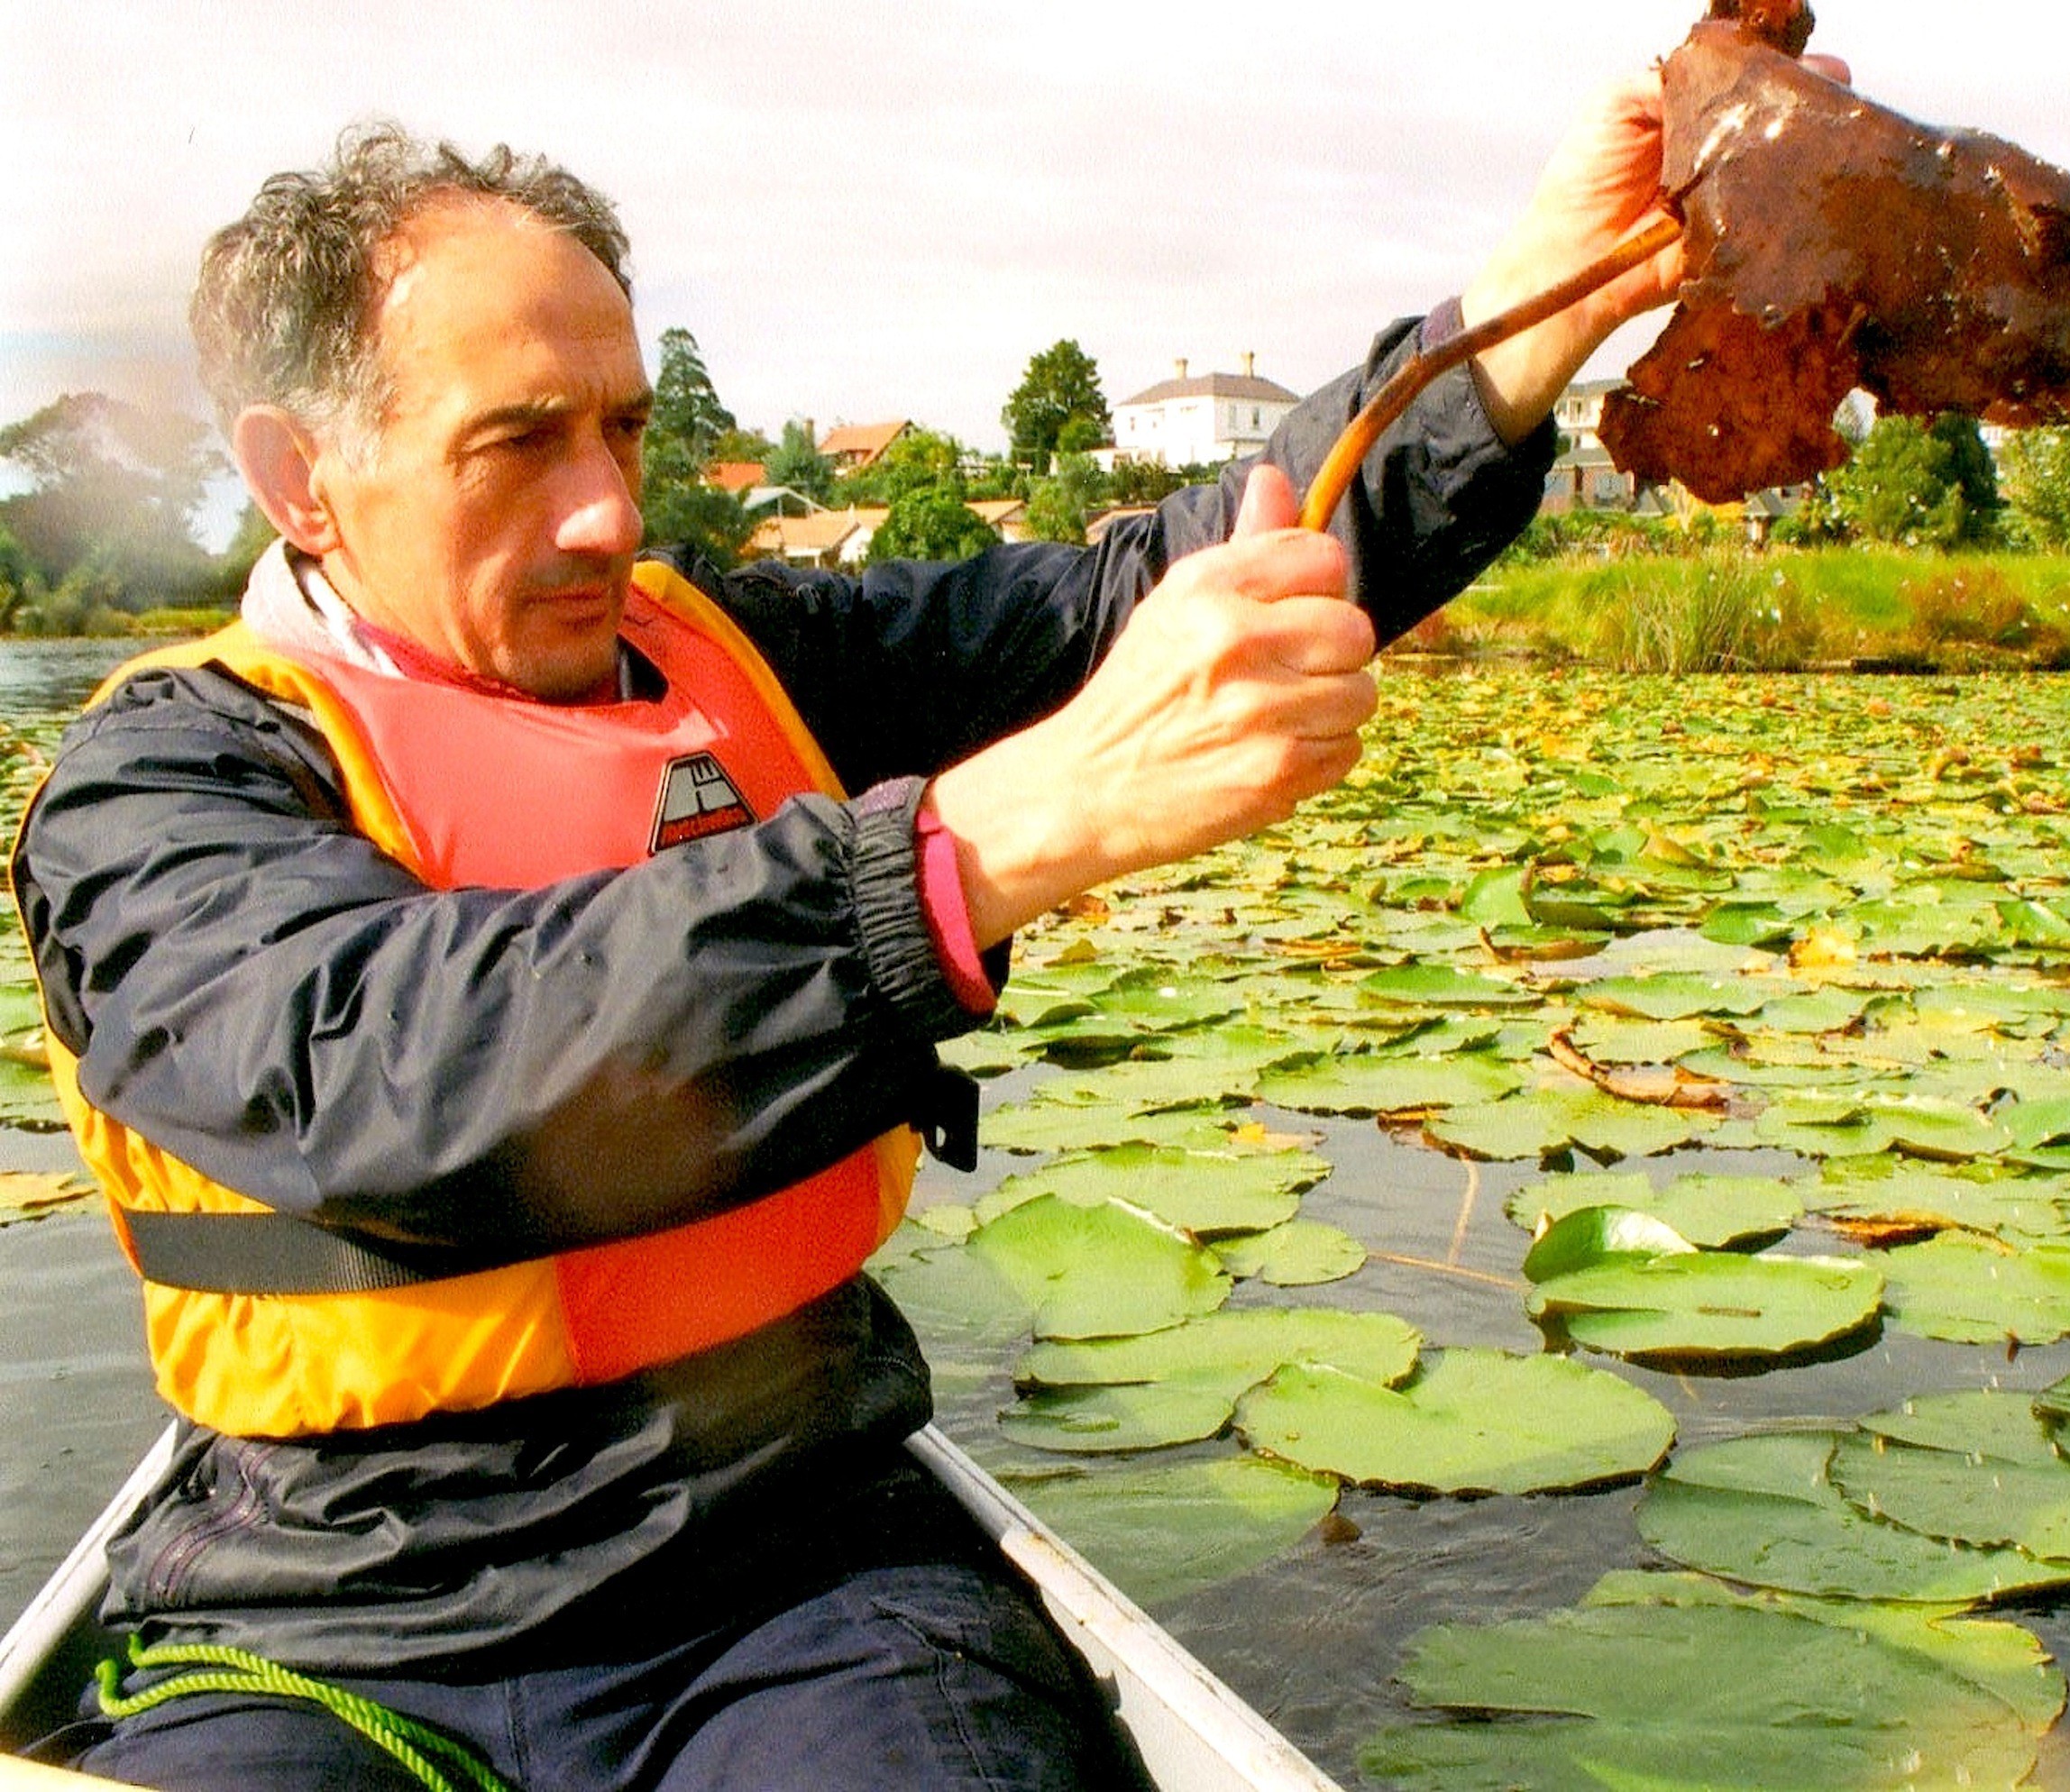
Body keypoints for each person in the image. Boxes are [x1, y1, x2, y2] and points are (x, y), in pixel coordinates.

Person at [8, 55, 1746, 1792]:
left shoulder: (753, 655)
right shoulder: (159, 785)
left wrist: (1528, 311)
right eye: (519, 443)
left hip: (789, 1566)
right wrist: (977, 846)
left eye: (623, 429)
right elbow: (388, 1073)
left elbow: (1179, 573)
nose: (608, 508)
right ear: (302, 478)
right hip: (332, 1616)